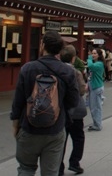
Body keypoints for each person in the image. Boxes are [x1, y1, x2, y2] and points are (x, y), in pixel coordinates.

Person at [10, 31, 80, 176]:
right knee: (50, 172)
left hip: (29, 127)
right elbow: (73, 101)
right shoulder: (67, 71)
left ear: (42, 46)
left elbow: (18, 100)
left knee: (25, 169)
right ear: (60, 49)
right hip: (55, 129)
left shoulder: (27, 68)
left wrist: (16, 124)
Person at [59, 45, 87, 175]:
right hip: (75, 110)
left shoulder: (56, 70)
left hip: (60, 110)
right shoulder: (76, 72)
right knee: (78, 137)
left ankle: (58, 166)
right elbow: (81, 90)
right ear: (73, 58)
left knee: (61, 140)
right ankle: (74, 162)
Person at [87, 48, 105, 131]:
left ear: (99, 55)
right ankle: (96, 123)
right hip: (93, 87)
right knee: (92, 106)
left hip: (97, 87)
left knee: (96, 107)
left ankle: (98, 125)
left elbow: (90, 66)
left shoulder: (99, 64)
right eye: (92, 53)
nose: (93, 55)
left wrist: (89, 58)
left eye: (94, 53)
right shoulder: (96, 63)